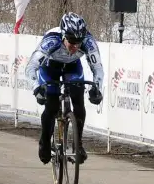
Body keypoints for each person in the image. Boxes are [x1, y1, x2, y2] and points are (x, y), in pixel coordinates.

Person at [25, 12, 104, 165]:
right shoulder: (51, 41)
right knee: (52, 106)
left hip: (73, 67)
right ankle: (45, 142)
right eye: (71, 42)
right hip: (50, 67)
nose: (75, 47)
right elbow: (31, 68)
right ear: (63, 36)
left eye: (78, 42)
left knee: (78, 101)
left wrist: (97, 89)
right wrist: (36, 88)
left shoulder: (88, 42)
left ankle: (78, 144)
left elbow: (98, 68)